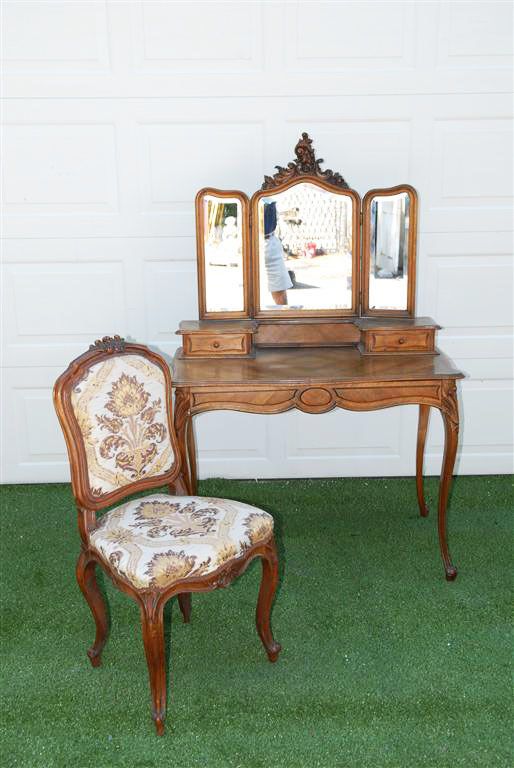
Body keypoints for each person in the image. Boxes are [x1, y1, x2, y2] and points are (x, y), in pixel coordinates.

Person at [263, 200, 292, 305]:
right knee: (278, 284)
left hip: (269, 240)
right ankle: (283, 315)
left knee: (279, 284)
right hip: (263, 241)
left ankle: (283, 315)